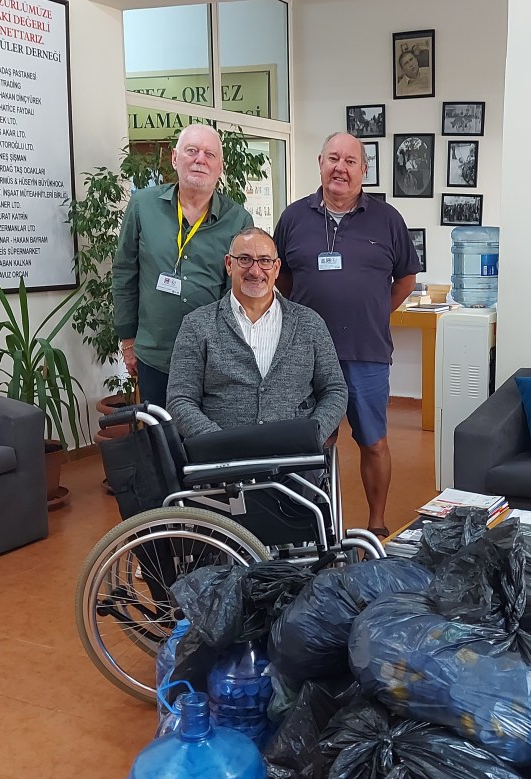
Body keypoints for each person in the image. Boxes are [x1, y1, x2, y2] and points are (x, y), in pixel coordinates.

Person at [274, 133, 421, 536]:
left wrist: (374, 312)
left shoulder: (387, 219)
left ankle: (376, 524)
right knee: (314, 442)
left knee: (373, 441)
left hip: (366, 350)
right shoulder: (293, 217)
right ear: (320, 162)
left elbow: (406, 279)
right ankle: (317, 525)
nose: (341, 167)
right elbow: (281, 276)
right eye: (333, 158)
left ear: (364, 170)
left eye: (350, 161)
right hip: (306, 354)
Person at [112, 123, 252, 407]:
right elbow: (125, 272)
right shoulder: (142, 206)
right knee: (159, 432)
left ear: (220, 166)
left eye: (209, 154)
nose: (200, 159)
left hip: (212, 358)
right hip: (155, 354)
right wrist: (127, 340)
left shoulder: (238, 220)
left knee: (208, 433)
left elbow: (238, 294)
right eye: (192, 151)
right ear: (175, 158)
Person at [167, 227, 347, 442]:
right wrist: (217, 443)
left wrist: (312, 435)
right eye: (244, 259)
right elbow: (180, 400)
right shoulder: (197, 325)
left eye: (264, 261)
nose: (255, 271)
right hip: (222, 456)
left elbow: (335, 390)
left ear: (277, 268)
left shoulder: (310, 323)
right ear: (229, 264)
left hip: (294, 454)